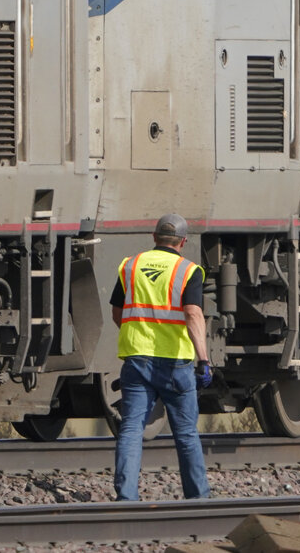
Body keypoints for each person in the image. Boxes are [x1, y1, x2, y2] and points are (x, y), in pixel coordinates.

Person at [109, 213, 212, 501]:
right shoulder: (188, 270)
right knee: (186, 434)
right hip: (175, 365)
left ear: (154, 237)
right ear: (183, 242)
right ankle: (198, 498)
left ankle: (127, 497)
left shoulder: (131, 266)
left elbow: (118, 311)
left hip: (136, 361)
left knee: (130, 429)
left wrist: (139, 332)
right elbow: (192, 313)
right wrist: (203, 360)